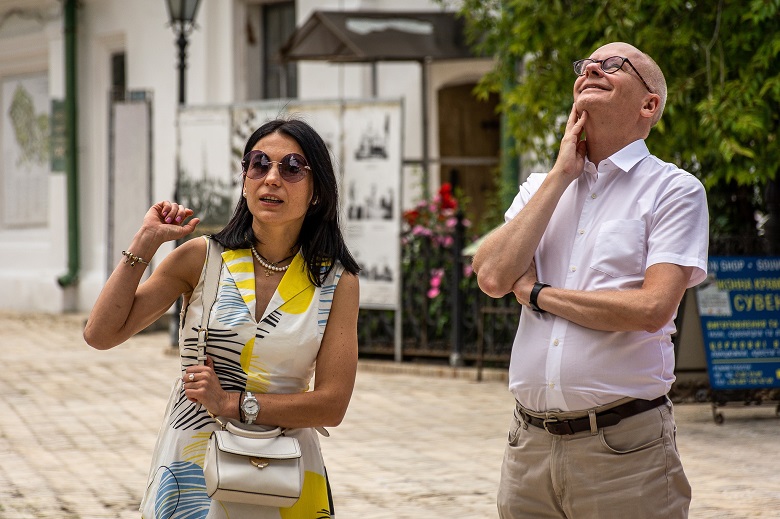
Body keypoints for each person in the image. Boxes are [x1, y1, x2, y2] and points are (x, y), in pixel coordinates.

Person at [472, 42, 708, 518]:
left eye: (614, 65)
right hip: (529, 447)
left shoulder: (673, 190)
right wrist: (561, 174)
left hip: (624, 451)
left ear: (649, 105)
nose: (593, 69)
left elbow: (652, 309)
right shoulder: (541, 188)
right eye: (586, 66)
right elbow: (492, 276)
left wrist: (538, 293)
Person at [84, 118, 361, 518]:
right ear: (245, 180)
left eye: (292, 168)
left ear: (317, 191)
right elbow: (100, 334)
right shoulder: (202, 258)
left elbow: (331, 405)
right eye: (259, 164)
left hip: (286, 472)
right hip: (192, 467)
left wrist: (231, 403)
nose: (271, 178)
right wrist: (145, 242)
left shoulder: (335, 281)